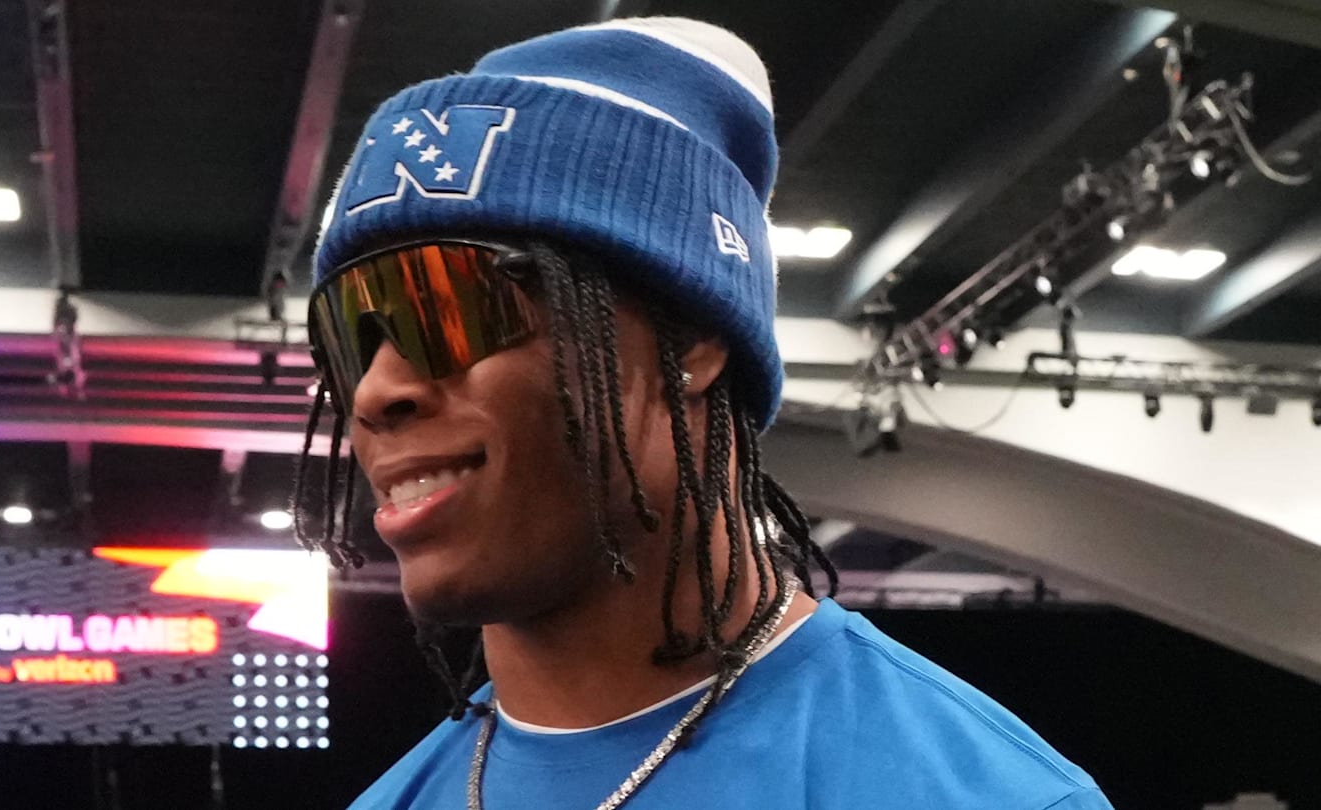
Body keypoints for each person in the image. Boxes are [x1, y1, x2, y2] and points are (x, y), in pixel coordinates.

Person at [295, 16, 1113, 810]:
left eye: (449, 306)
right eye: (350, 335)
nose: (374, 391)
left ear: (688, 341)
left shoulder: (987, 796)